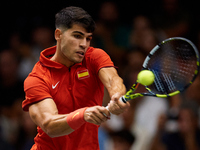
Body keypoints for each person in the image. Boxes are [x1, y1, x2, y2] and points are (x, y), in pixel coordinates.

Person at [21, 6, 130, 150]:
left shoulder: (94, 57)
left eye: (88, 38)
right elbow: (49, 124)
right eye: (77, 36)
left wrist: (116, 95)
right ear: (58, 35)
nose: (84, 44)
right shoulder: (37, 78)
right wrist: (83, 115)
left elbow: (112, 79)